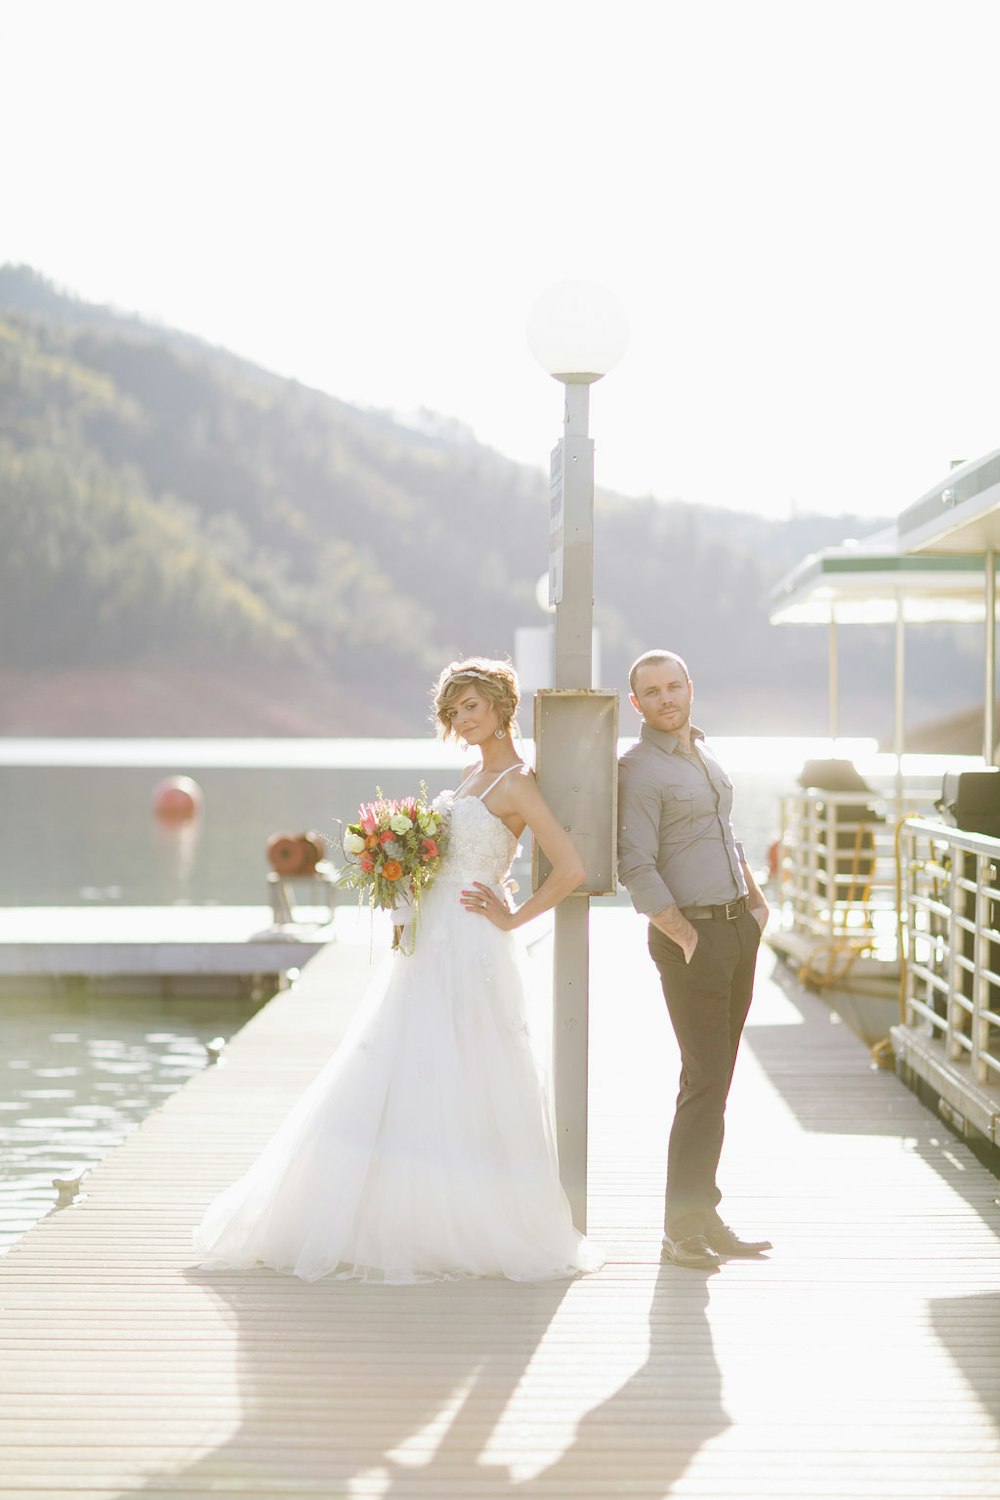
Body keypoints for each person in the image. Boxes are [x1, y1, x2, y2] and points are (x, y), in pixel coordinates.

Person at [193, 657, 604, 1284]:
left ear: (501, 706)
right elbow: (441, 857)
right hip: (425, 941)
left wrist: (514, 916)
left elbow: (571, 868)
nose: (463, 721)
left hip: (473, 942)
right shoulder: (469, 776)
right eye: (453, 711)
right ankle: (387, 1215)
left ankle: (467, 1220)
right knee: (402, 1059)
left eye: (471, 706)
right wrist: (402, 883)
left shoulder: (520, 783)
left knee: (470, 1067)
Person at [617, 650, 771, 1271]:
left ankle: (704, 1212)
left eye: (673, 686)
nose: (664, 699)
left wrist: (757, 907)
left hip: (738, 930)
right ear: (636, 704)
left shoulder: (703, 755)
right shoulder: (640, 770)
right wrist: (682, 934)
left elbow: (724, 836)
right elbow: (635, 863)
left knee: (718, 1078)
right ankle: (680, 1228)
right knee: (703, 1080)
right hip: (694, 941)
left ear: (689, 688)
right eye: (651, 692)